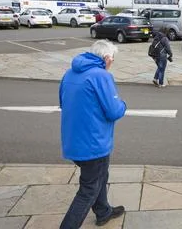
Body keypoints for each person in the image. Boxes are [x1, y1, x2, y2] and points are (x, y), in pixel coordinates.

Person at [59, 40, 127, 228]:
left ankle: (103, 211)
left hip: (73, 140)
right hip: (94, 143)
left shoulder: (69, 73)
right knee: (89, 189)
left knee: (100, 176)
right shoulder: (101, 75)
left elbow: (63, 103)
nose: (112, 63)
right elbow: (114, 111)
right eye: (112, 59)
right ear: (106, 58)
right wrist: (123, 104)